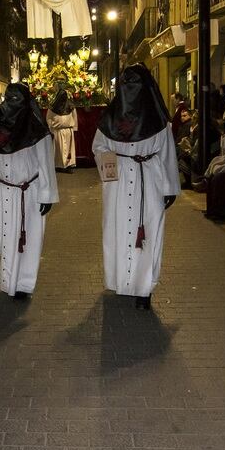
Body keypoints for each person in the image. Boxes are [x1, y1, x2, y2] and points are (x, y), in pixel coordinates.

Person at [92, 65, 179, 309]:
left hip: (149, 182)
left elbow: (167, 154)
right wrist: (109, 163)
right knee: (117, 230)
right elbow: (98, 147)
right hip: (118, 182)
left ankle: (144, 287)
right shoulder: (110, 119)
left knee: (148, 232)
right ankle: (121, 281)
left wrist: (170, 187)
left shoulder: (158, 121)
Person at [0, 83, 59, 299]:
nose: (11, 102)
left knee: (27, 239)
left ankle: (22, 284)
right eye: (8, 97)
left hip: (27, 192)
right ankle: (11, 275)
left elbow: (45, 162)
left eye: (16, 98)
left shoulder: (35, 128)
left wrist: (47, 193)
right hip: (0, 190)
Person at [46, 90, 78, 173]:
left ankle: (68, 164)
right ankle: (58, 165)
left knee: (68, 149)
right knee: (58, 149)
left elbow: (74, 116)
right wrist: (51, 128)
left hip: (68, 130)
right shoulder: (53, 107)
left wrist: (75, 127)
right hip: (57, 131)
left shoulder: (70, 106)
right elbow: (48, 118)